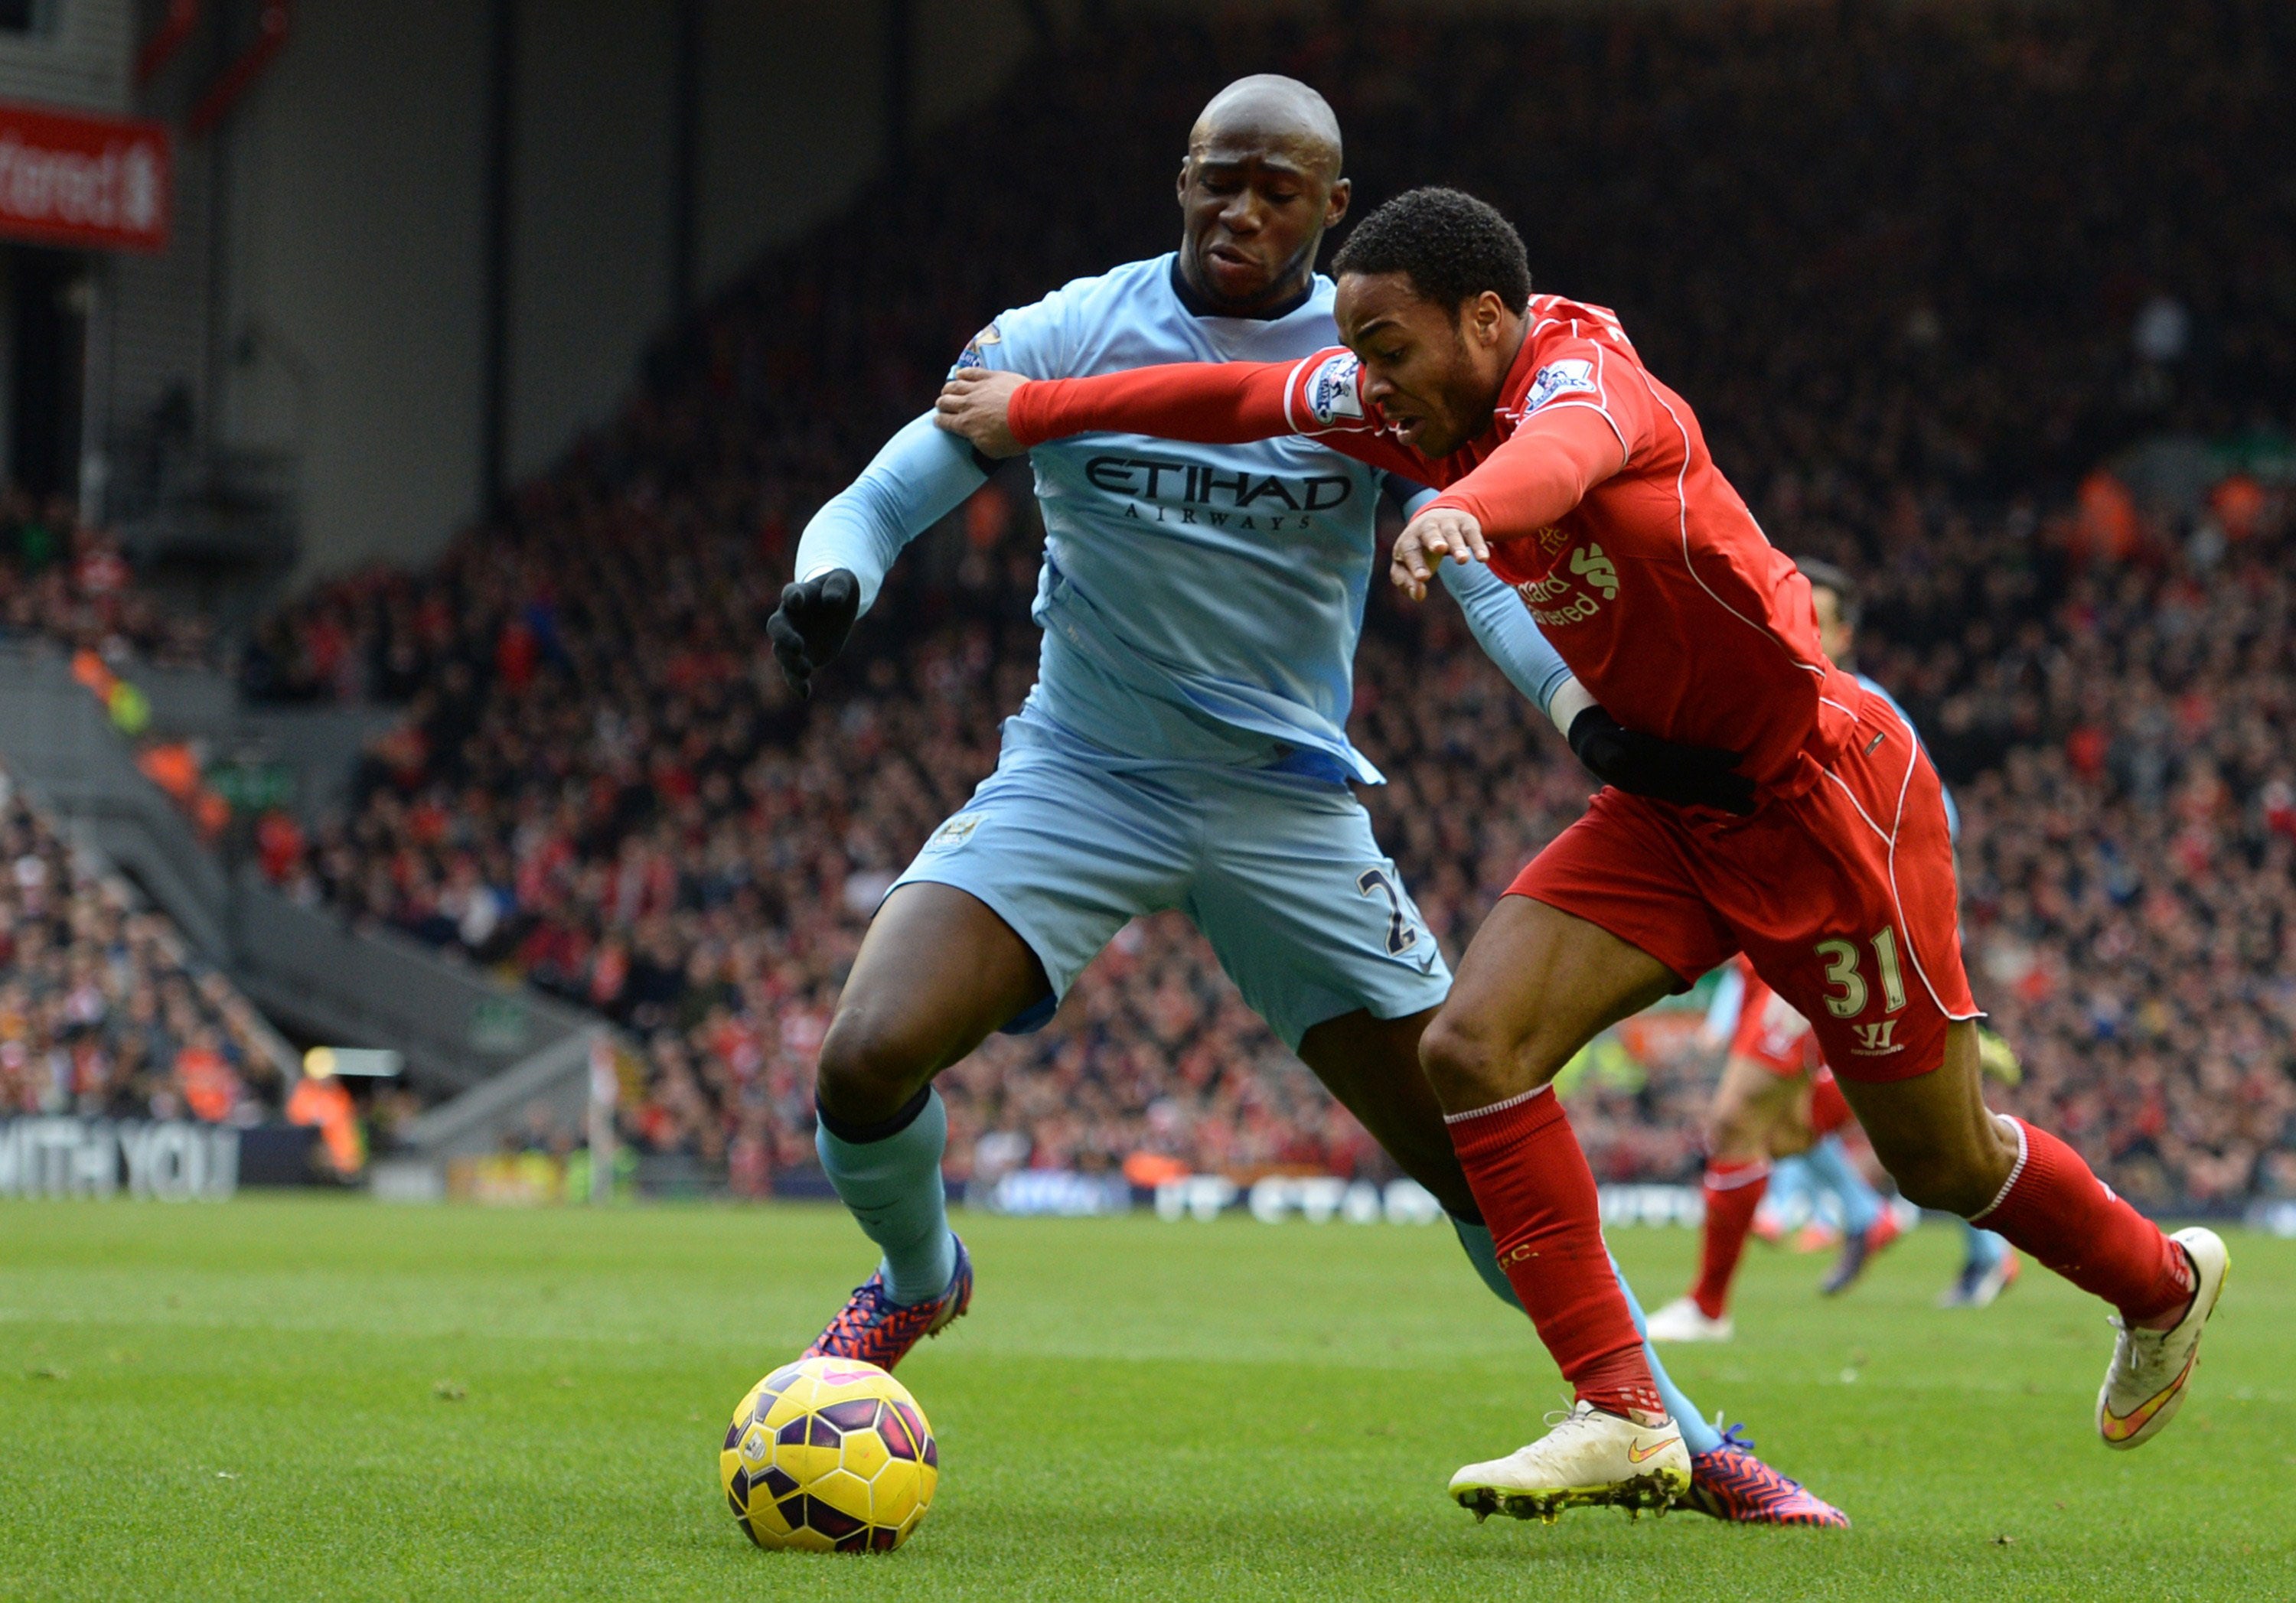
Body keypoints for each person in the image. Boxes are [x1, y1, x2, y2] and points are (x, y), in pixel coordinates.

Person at [937, 184, 2225, 1518]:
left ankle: (2160, 1284)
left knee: (1942, 1162)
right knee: (1469, 1051)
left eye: (1391, 351)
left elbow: (1554, 462)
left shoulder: (1596, 387)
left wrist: (1464, 514)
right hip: (1670, 811)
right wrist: (1030, 414)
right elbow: (1235, 401)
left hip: (1819, 804)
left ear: (1485, 318)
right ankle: (1621, 1411)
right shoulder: (1402, 395)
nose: (1369, 385)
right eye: (1360, 353)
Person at [775, 83, 1841, 1526]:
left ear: (1333, 210)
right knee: (863, 1058)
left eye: (1279, 191)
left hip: (1288, 807)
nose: (1242, 213)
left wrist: (1581, 716)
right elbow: (889, 489)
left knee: (1471, 1141)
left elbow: (1485, 568)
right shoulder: (1068, 330)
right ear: (1182, 179)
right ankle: (918, 1285)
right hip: (1081, 774)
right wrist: (832, 576)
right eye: (1220, 181)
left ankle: (1675, 1425)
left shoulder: (1373, 363)